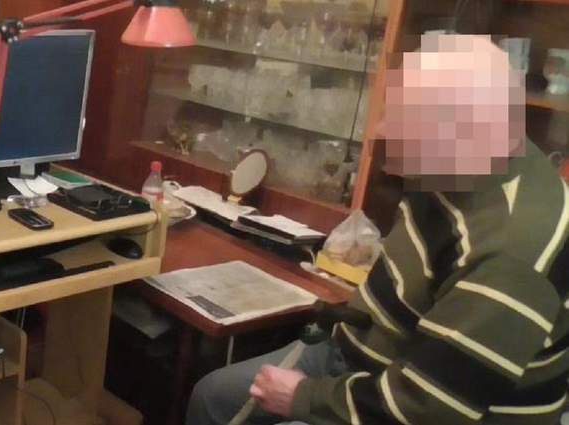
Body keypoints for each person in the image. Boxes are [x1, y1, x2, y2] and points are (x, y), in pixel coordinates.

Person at [186, 34, 569, 425]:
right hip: (361, 356)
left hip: (416, 403)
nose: (382, 128)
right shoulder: (473, 158)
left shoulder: (511, 255)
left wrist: (301, 397)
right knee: (213, 397)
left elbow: (428, 408)